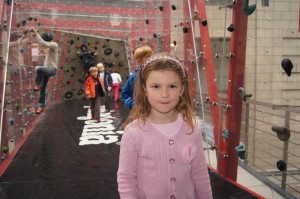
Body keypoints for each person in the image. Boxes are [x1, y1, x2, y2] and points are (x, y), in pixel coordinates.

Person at [117, 53, 213, 198]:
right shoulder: (134, 132)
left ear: (181, 89)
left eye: (172, 86)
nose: (164, 94)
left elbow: (199, 173)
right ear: (144, 89)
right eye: (156, 86)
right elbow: (126, 179)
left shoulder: (191, 127)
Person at [31, 27, 58, 114]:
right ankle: (40, 106)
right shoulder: (50, 49)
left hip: (52, 70)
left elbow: (43, 43)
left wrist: (36, 32)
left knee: (38, 68)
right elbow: (49, 58)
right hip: (47, 70)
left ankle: (37, 84)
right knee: (43, 89)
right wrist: (41, 55)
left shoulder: (54, 44)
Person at [121, 45, 153, 110]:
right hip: (140, 113)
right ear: (140, 60)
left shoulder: (157, 74)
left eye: (151, 55)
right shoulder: (134, 77)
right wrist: (133, 104)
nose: (151, 58)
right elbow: (125, 93)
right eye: (148, 56)